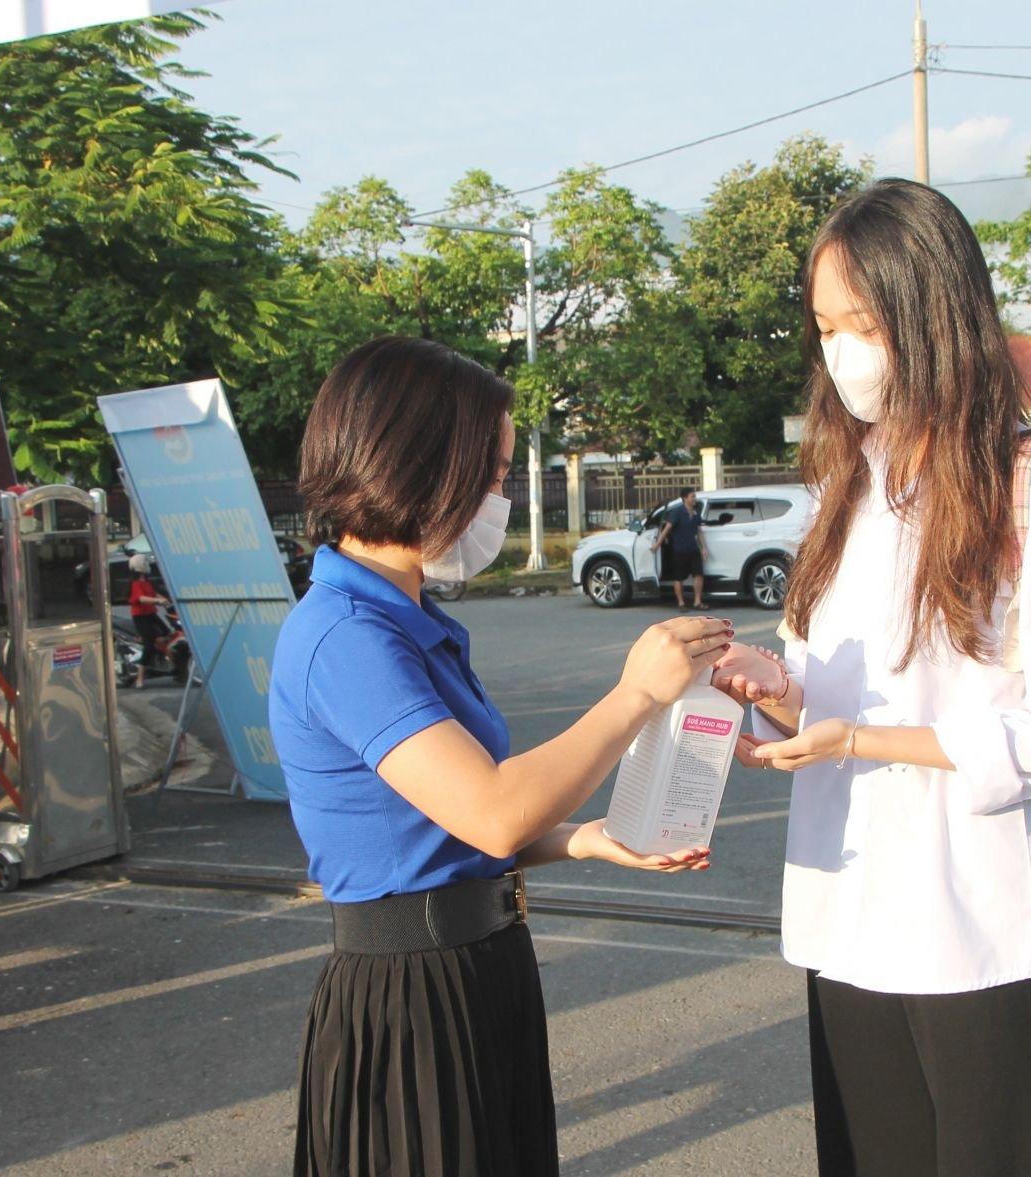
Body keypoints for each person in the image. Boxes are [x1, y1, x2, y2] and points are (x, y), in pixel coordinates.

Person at [712, 180, 1031, 1177]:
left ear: (932, 314)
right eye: (825, 328)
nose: (842, 352)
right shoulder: (846, 483)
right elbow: (826, 687)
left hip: (977, 926)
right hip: (848, 918)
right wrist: (768, 685)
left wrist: (861, 740)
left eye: (864, 324)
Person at [268, 336, 732, 1176]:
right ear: (419, 464)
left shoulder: (409, 620)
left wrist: (583, 838)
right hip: (412, 995)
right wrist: (635, 693)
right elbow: (491, 808)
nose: (500, 499)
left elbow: (445, 830)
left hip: (477, 967)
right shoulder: (346, 635)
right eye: (491, 475)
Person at [653, 489, 708, 610]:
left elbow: (699, 532)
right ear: (685, 498)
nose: (694, 499)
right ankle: (681, 603)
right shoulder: (677, 512)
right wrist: (657, 544)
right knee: (679, 578)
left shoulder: (695, 513)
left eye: (694, 496)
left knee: (699, 575)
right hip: (679, 550)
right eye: (692, 496)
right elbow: (667, 529)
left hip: (693, 549)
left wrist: (704, 548)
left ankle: (697, 601)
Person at [126, 553, 169, 688]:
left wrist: (165, 599)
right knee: (149, 645)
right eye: (146, 562)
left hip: (151, 614)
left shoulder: (147, 582)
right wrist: (158, 600)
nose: (148, 565)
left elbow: (154, 594)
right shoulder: (135, 584)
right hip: (141, 617)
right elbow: (141, 599)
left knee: (167, 633)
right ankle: (140, 678)